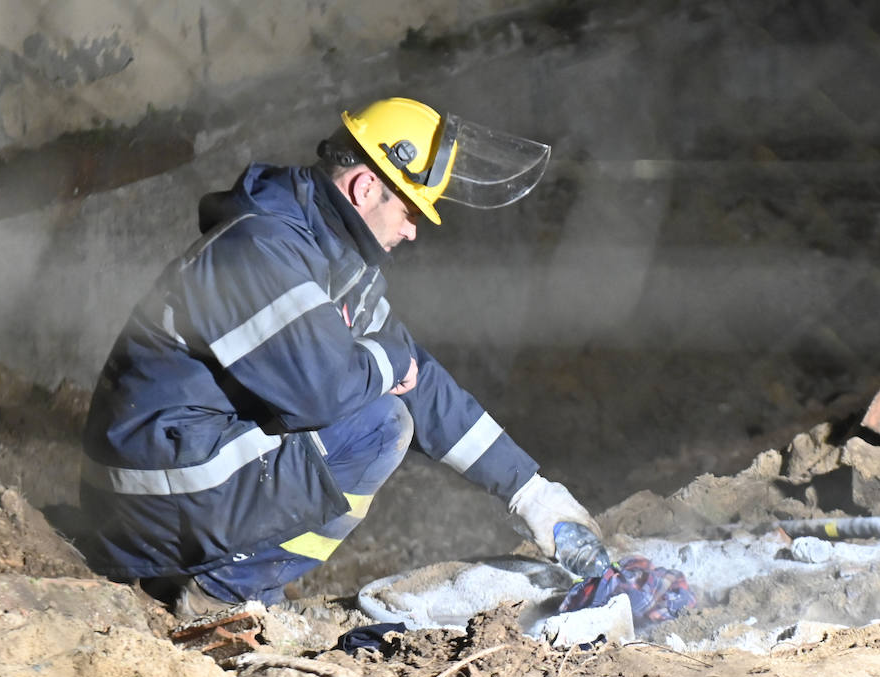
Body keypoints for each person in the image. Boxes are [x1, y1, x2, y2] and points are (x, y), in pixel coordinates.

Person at [78, 97, 604, 615]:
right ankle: (225, 596)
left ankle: (229, 578)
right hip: (145, 504)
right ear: (365, 186)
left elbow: (419, 379)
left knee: (385, 402)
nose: (413, 229)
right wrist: (390, 361)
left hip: (180, 475)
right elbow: (326, 393)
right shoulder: (261, 248)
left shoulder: (329, 255)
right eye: (408, 210)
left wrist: (531, 493)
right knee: (377, 424)